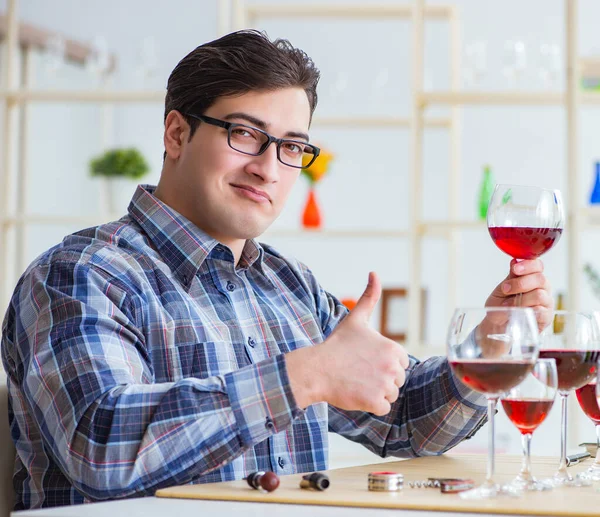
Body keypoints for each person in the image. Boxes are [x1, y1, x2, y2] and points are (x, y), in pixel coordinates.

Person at [1, 30, 553, 510]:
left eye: (292, 147)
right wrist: (303, 376)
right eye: (244, 134)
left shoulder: (291, 287)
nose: (269, 168)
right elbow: (101, 443)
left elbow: (406, 416)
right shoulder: (81, 275)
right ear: (176, 134)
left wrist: (491, 345)